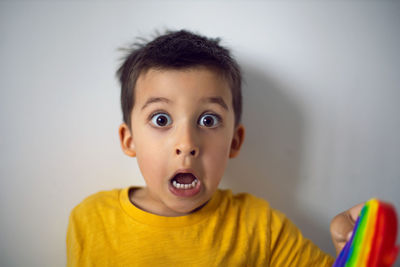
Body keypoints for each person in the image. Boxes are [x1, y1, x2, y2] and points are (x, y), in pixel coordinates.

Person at [66, 29, 362, 266]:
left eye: (208, 120)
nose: (187, 144)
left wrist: (353, 251)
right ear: (128, 140)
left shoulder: (261, 228)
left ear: (234, 140)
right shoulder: (92, 221)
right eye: (161, 119)